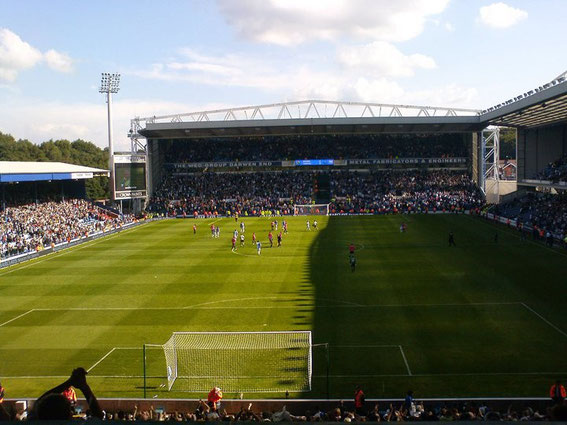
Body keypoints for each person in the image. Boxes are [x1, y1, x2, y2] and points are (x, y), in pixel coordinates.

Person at [32, 367, 103, 420]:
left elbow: (38, 404)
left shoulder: (35, 420)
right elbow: (98, 417)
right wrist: (84, 387)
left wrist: (69, 382)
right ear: (68, 414)